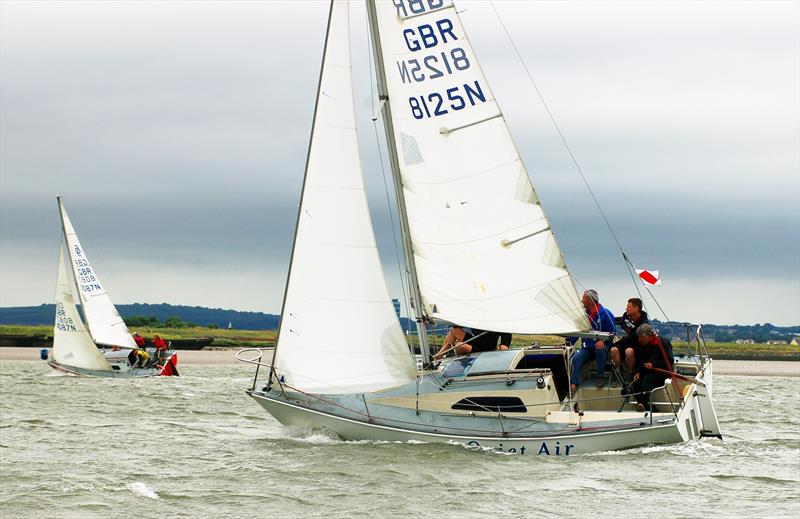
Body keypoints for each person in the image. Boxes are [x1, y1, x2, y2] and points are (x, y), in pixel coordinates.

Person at [570, 289, 615, 392]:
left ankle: (600, 376)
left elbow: (612, 331)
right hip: (587, 348)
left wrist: (602, 341)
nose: (582, 301)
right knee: (576, 357)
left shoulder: (605, 313)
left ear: (590, 300)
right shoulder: (584, 316)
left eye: (584, 298)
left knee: (599, 348)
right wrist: (568, 343)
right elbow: (577, 332)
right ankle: (574, 383)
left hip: (603, 347)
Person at [629, 323, 674, 411]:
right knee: (634, 383)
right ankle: (651, 409)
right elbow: (640, 361)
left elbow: (669, 361)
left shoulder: (663, 343)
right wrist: (638, 372)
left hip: (662, 373)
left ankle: (641, 403)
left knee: (647, 380)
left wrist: (653, 364)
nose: (640, 340)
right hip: (647, 372)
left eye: (642, 337)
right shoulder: (643, 345)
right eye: (639, 337)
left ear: (650, 335)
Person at [609, 298, 649, 379]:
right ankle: (618, 372)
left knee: (629, 351)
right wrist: (609, 319)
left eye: (629, 307)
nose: (626, 308)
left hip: (637, 344)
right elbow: (620, 320)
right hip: (626, 342)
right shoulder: (626, 316)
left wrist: (620, 342)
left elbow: (635, 338)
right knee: (613, 350)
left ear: (636, 308)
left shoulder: (643, 323)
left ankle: (630, 374)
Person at [432, 326, 510, 360]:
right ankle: (439, 356)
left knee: (459, 346)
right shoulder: (476, 313)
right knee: (455, 330)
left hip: (486, 348)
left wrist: (505, 344)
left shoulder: (493, 317)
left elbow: (506, 331)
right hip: (475, 340)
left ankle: (455, 358)